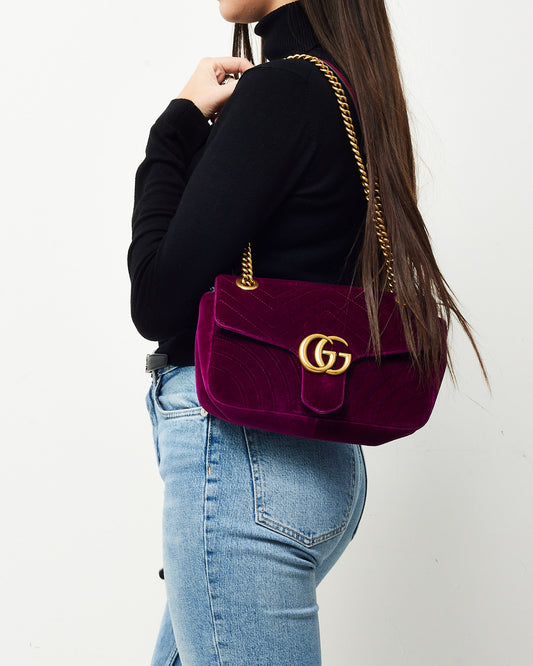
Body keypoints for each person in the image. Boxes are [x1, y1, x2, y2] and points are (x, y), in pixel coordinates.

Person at [128, 1, 487, 663]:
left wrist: (174, 128)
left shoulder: (285, 89)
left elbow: (157, 300)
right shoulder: (350, 88)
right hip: (308, 461)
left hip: (242, 460)